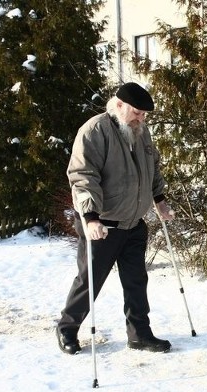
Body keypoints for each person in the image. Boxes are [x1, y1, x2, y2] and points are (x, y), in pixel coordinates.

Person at [56, 82, 174, 355]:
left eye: (144, 114)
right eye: (137, 112)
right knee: (90, 281)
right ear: (119, 105)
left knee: (136, 281)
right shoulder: (95, 130)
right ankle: (67, 328)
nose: (141, 118)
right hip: (103, 225)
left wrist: (160, 201)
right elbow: (83, 176)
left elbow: (152, 169)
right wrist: (91, 217)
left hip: (134, 224)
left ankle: (139, 334)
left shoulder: (141, 134)